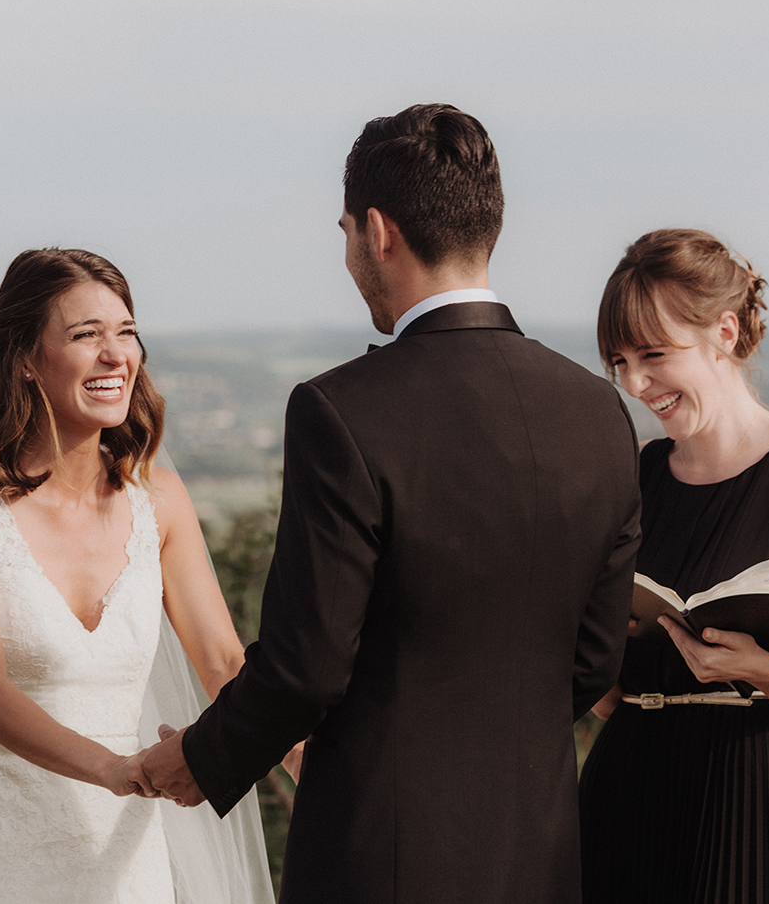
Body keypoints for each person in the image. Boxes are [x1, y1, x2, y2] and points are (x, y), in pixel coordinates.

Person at [142, 103, 643, 903]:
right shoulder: (600, 412)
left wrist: (201, 757)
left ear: (378, 230)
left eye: (344, 231)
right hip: (541, 855)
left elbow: (306, 667)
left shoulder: (340, 410)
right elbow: (592, 662)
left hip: (379, 854)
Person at [0, 248, 273, 904]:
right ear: (26, 355)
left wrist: (305, 755)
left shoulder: (160, 498)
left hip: (122, 855)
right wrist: (115, 768)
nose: (117, 356)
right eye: (86, 335)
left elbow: (222, 658)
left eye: (126, 332)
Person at [578, 228, 769, 904]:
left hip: (758, 795)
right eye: (618, 362)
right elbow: (604, 696)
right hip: (625, 791)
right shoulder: (631, 479)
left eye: (653, 354)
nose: (635, 383)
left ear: (724, 330)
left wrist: (756, 668)